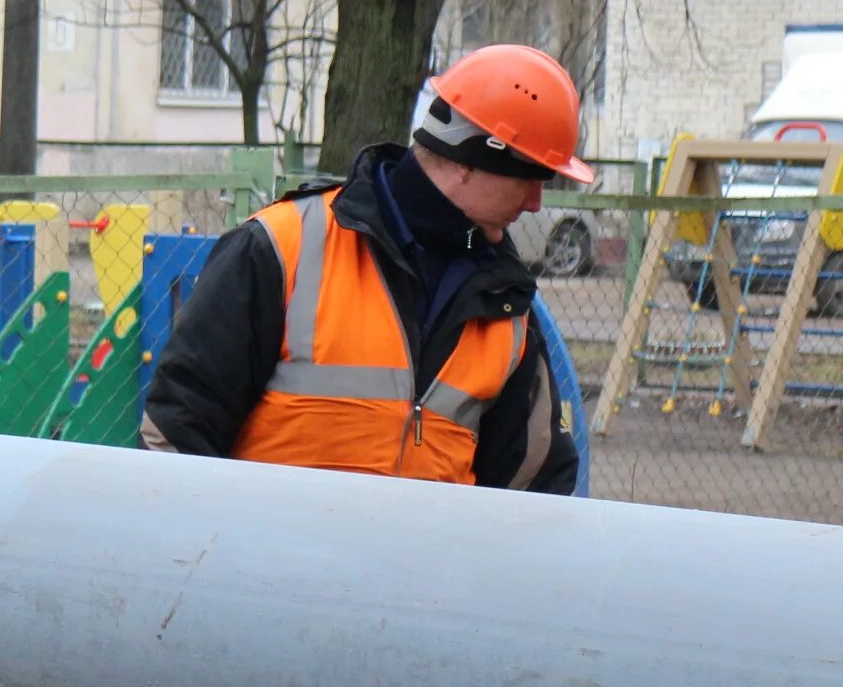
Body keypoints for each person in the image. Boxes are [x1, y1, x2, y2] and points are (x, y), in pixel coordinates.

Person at [141, 42, 586, 493]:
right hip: (270, 560)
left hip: (426, 563)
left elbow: (537, 481)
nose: (535, 203)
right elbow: (176, 434)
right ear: (471, 160)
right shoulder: (282, 247)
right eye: (529, 178)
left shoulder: (507, 304)